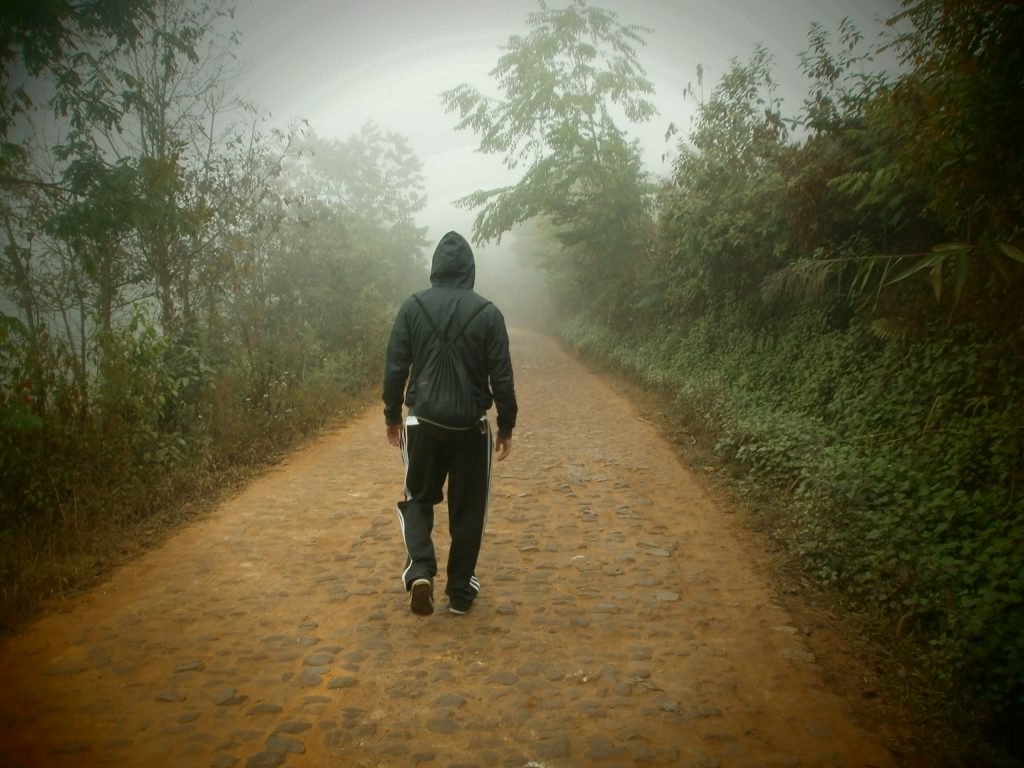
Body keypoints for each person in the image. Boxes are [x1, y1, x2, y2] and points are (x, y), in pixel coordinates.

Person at [382, 231, 518, 616]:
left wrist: (393, 416)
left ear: (435, 267)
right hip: (470, 429)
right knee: (469, 510)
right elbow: (502, 377)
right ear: (470, 269)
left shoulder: (412, 308)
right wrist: (505, 425)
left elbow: (395, 367)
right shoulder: (488, 313)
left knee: (418, 498)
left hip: (421, 423)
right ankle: (459, 592)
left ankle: (420, 570)